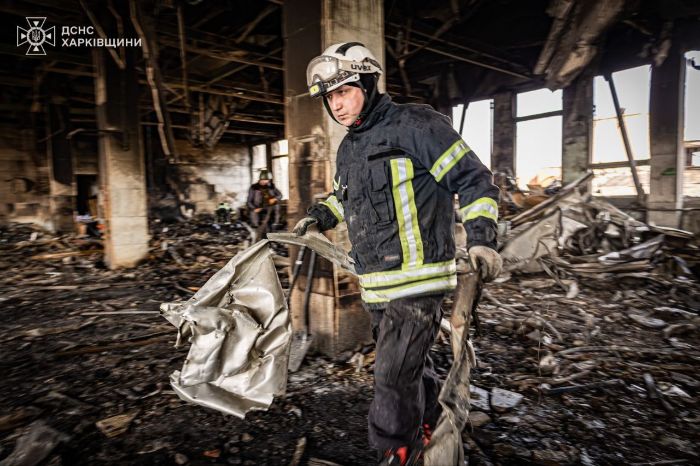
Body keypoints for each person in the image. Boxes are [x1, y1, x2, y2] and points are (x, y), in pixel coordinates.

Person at [293, 42, 503, 466]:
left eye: (344, 91)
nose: (336, 104)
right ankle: (427, 424)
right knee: (409, 368)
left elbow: (474, 179)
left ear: (367, 84)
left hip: (419, 281)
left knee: (389, 375)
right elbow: (346, 198)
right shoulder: (350, 147)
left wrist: (482, 238)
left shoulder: (417, 125)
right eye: (329, 97)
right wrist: (320, 214)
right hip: (377, 285)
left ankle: (396, 451)